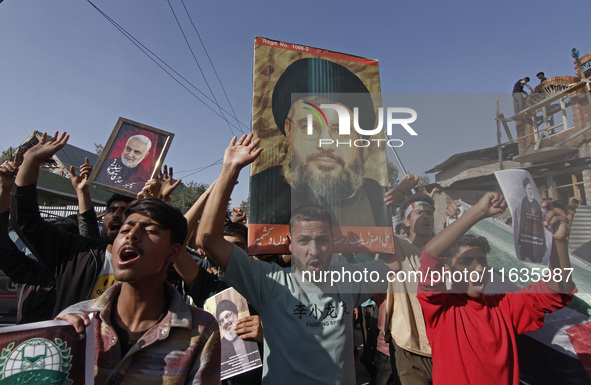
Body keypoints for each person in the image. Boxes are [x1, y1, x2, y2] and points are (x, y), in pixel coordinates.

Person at [198, 134, 391, 384]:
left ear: (333, 242)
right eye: (303, 241)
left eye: (322, 240)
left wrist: (387, 213)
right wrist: (230, 169)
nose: (314, 250)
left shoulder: (348, 280)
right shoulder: (269, 282)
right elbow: (208, 240)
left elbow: (399, 267)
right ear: (290, 243)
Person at [418, 192, 576, 385]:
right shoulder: (441, 308)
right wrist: (478, 211)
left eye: (482, 262)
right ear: (447, 270)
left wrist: (559, 242)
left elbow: (558, 290)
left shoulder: (504, 307)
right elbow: (430, 255)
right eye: (465, 262)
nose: (478, 268)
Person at [57, 198, 220, 384]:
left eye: (150, 231)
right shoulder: (75, 321)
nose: (131, 235)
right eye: (125, 229)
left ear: (173, 252)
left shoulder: (200, 330)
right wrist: (51, 340)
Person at [250, 58, 389, 228]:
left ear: (359, 138)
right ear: (289, 130)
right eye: (309, 128)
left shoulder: (377, 198)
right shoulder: (263, 189)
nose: (326, 145)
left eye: (341, 131)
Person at [11, 131, 134, 315]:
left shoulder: (146, 264)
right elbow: (26, 221)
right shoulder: (78, 254)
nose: (116, 215)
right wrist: (31, 161)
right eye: (111, 210)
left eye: (126, 213)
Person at [383, 184, 435, 385]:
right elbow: (379, 224)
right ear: (405, 220)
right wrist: (400, 192)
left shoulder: (446, 254)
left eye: (430, 212)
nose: (425, 217)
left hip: (442, 345)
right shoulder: (399, 246)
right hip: (408, 346)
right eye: (418, 212)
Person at [216, 300, 260, 373]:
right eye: (222, 321)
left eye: (227, 316)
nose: (226, 322)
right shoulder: (221, 346)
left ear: (235, 314)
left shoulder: (251, 331)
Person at [516, 177, 546, 263]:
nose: (530, 191)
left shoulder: (536, 203)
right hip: (525, 239)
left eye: (531, 189)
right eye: (528, 189)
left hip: (537, 240)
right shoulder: (524, 202)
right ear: (525, 190)